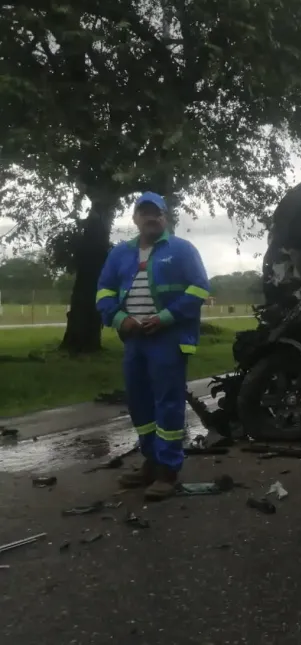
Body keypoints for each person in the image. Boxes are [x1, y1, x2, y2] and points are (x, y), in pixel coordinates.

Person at [95, 192, 210, 500]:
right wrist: (120, 319)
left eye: (156, 213)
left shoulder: (182, 250)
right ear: (135, 218)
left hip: (168, 339)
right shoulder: (120, 253)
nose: (151, 218)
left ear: (165, 217)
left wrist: (166, 317)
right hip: (134, 339)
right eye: (144, 213)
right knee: (139, 402)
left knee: (168, 403)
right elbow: (103, 291)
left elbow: (200, 288)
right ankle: (151, 462)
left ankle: (168, 472)